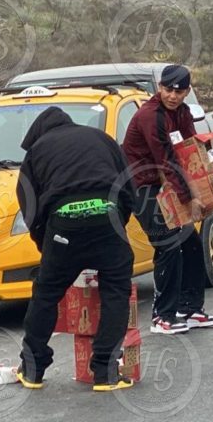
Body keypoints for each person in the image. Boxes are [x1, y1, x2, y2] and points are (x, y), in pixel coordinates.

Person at [16, 107, 136, 391]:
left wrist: (46, 244)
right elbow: (129, 185)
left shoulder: (36, 152)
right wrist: (118, 222)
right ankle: (106, 373)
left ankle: (32, 370)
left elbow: (29, 205)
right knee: (116, 290)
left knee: (46, 293)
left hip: (64, 226)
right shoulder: (101, 138)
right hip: (108, 216)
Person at [122, 64, 213, 335]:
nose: (173, 96)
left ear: (187, 91)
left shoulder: (184, 112)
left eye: (179, 91)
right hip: (142, 186)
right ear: (159, 88)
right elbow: (166, 161)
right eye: (168, 89)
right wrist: (189, 199)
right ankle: (162, 317)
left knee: (190, 242)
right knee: (168, 243)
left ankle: (189, 309)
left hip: (166, 185)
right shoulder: (150, 116)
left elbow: (189, 151)